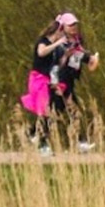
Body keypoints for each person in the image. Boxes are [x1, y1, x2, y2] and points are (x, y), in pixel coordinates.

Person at [25, 15, 72, 156]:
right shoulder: (43, 41)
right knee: (44, 111)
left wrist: (66, 56)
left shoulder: (55, 50)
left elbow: (56, 64)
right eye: (61, 34)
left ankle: (33, 132)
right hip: (38, 80)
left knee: (52, 109)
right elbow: (41, 52)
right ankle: (41, 144)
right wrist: (57, 44)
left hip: (48, 80)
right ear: (57, 32)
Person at [51, 14, 97, 153]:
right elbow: (55, 64)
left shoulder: (76, 41)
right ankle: (36, 136)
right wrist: (55, 83)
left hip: (68, 81)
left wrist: (90, 58)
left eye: (75, 24)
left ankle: (80, 142)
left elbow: (79, 56)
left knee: (66, 112)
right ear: (63, 27)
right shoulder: (58, 43)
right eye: (70, 25)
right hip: (59, 82)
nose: (73, 27)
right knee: (67, 112)